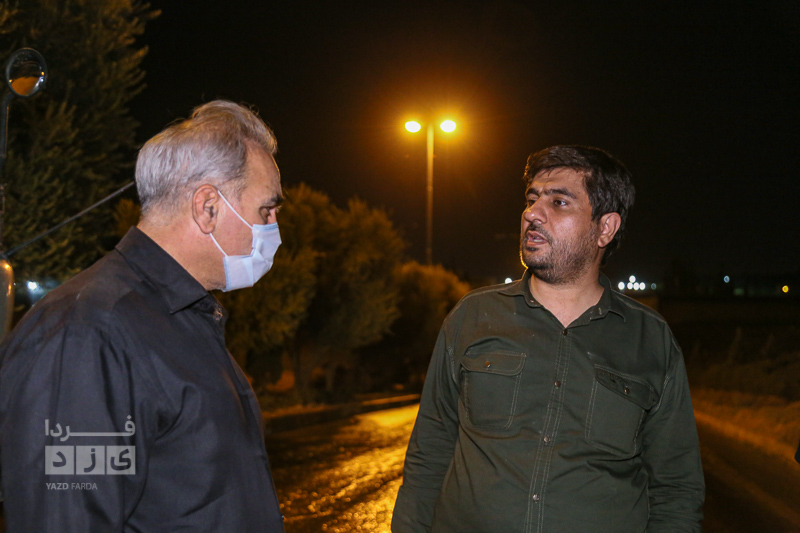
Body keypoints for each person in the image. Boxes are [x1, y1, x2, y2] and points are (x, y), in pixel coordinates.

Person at [0, 100, 286, 531]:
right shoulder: (88, 335)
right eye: (266, 209)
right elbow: (67, 519)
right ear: (208, 207)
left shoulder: (183, 318)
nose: (274, 225)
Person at [392, 145, 705, 533]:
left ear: (605, 228)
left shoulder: (651, 339)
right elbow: (429, 452)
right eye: (532, 199)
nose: (532, 214)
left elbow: (676, 488)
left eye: (558, 202)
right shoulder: (473, 316)